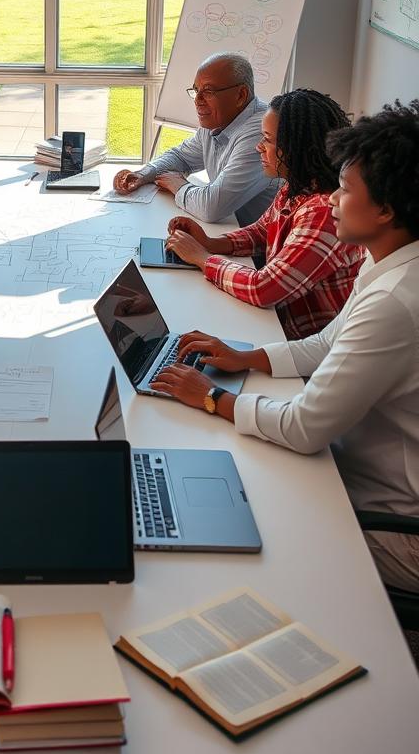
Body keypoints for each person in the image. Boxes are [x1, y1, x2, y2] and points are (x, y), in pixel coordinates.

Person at [151, 100, 419, 591]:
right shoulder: (390, 261)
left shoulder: (396, 302)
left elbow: (303, 428)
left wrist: (212, 397)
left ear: (384, 209)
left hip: (394, 520)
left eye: (344, 190)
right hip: (358, 462)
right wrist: (246, 356)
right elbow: (324, 343)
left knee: (246, 514)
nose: (333, 199)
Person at [165, 89, 365, 339]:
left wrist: (203, 258)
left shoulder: (324, 211)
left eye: (268, 140)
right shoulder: (298, 186)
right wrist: (210, 242)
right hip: (276, 325)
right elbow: (262, 232)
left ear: (297, 147)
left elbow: (264, 289)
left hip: (303, 348)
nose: (259, 147)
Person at [112, 52, 278, 224]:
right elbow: (180, 157)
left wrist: (178, 185)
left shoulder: (261, 132)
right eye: (196, 90)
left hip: (262, 246)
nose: (198, 100)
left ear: (240, 95)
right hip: (232, 232)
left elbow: (212, 208)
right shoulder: (217, 120)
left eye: (208, 91)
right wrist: (142, 174)